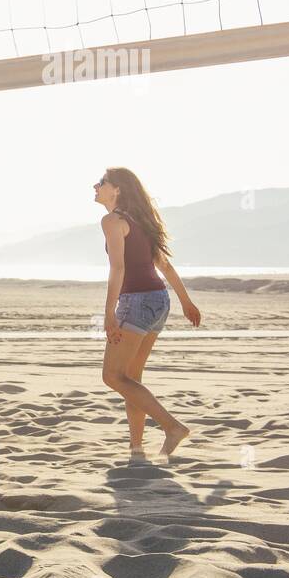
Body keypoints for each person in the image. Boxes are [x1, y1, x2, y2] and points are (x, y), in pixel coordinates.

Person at [94, 167, 200, 459]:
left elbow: (118, 268)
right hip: (158, 300)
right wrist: (185, 302)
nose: (96, 186)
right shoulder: (141, 221)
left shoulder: (112, 221)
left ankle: (172, 427)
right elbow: (164, 268)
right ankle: (136, 449)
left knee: (113, 376)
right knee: (131, 379)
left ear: (116, 190)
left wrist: (109, 313)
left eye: (101, 182)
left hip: (137, 302)